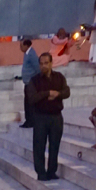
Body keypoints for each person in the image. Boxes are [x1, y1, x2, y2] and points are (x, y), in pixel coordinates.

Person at [26, 52, 70, 181]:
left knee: (54, 145)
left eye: (46, 63)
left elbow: (66, 91)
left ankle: (52, 171)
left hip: (56, 117)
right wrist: (47, 93)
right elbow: (32, 98)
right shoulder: (34, 80)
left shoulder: (59, 77)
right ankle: (41, 172)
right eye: (41, 64)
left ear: (51, 63)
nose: (43, 66)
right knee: (39, 146)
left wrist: (57, 94)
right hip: (40, 117)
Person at [20, 37, 41, 128]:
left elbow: (37, 67)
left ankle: (31, 121)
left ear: (26, 45)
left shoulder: (32, 54)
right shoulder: (27, 54)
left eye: (21, 46)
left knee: (30, 103)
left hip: (31, 83)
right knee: (27, 102)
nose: (20, 48)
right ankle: (28, 120)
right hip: (27, 82)